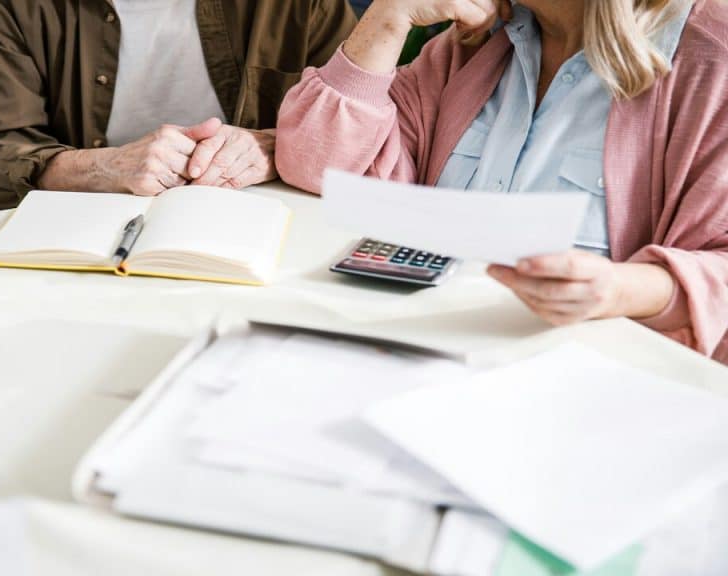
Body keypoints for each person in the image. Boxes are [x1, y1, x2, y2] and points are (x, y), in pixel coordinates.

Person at [275, 0, 728, 363]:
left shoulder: (713, 52)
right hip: (413, 358)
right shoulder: (474, 41)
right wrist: (389, 17)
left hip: (597, 393)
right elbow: (315, 168)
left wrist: (619, 290)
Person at [0, 0, 356, 207]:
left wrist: (272, 146)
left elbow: (374, 135)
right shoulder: (15, 6)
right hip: (86, 235)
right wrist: (102, 167)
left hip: (268, 223)